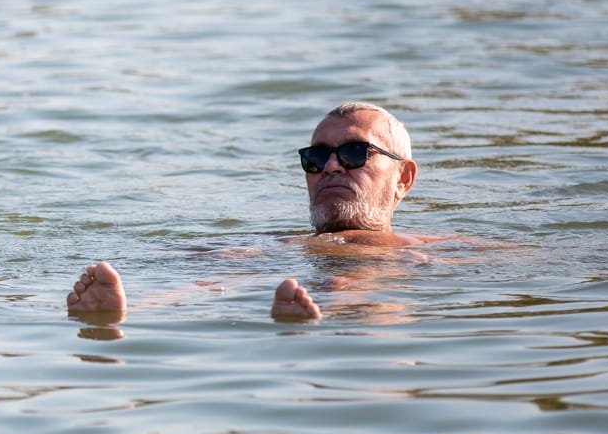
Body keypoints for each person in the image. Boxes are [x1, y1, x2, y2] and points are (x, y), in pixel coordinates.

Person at [67, 102, 457, 323]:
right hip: (279, 267)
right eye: (316, 157)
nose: (332, 167)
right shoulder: (268, 245)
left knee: (343, 282)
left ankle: (316, 314)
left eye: (355, 153)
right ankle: (125, 311)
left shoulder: (429, 247)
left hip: (367, 285)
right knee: (227, 275)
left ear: (403, 178)